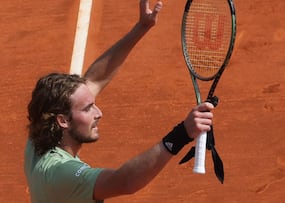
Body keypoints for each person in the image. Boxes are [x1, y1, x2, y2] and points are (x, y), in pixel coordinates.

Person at [24, 0, 215, 202]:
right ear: (63, 120)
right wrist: (181, 133)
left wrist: (141, 27)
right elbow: (124, 182)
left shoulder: (39, 139)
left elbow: (95, 79)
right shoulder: (63, 173)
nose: (99, 113)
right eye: (88, 108)